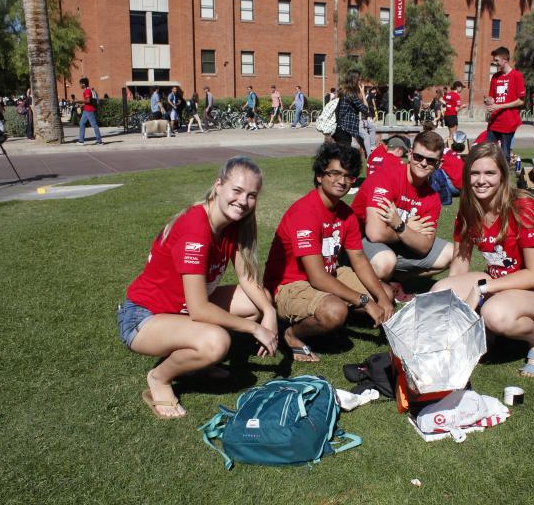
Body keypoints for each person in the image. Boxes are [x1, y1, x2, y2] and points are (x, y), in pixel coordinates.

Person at [118, 157, 278, 419]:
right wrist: (256, 328)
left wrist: (269, 311)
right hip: (143, 318)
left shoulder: (233, 224)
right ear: (218, 185)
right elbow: (200, 309)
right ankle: (159, 378)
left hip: (181, 311)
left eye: (251, 195)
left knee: (257, 301)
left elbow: (247, 279)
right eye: (236, 191)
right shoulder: (196, 229)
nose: (243, 201)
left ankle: (197, 365)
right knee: (216, 342)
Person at [431, 142, 534, 378]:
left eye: (489, 173)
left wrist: (482, 289)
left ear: (503, 175)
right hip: (498, 280)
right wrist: (455, 308)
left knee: (495, 313)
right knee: (440, 291)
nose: (481, 180)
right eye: (475, 173)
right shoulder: (468, 210)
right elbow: (460, 264)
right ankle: (488, 335)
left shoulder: (524, 207)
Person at [263, 143, 394, 362]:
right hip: (290, 284)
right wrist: (364, 301)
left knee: (386, 294)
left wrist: (381, 298)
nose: (342, 181)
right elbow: (316, 276)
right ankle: (292, 334)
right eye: (335, 173)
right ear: (319, 176)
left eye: (349, 176)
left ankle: (332, 318)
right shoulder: (305, 211)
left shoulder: (346, 213)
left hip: (329, 274)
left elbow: (359, 260)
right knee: (335, 311)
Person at [350, 130, 453, 292]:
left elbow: (424, 246)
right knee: (385, 262)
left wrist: (400, 226)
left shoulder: (432, 197)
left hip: (395, 238)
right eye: (419, 157)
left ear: (439, 164)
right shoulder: (386, 178)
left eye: (431, 160)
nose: (424, 163)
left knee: (452, 254)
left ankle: (396, 278)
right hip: (359, 239)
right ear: (410, 154)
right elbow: (374, 233)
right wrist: (406, 228)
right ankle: (358, 278)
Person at [485, 47, 525, 162]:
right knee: (489, 152)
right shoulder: (495, 77)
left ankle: (504, 179)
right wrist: (489, 101)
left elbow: (521, 101)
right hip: (494, 121)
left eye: (497, 60)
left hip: (508, 121)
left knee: (504, 154)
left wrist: (499, 106)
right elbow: (491, 97)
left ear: (505, 60)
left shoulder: (517, 76)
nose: (495, 62)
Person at [332, 70, 369, 156]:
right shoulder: (350, 95)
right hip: (344, 130)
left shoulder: (344, 92)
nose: (360, 82)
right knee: (344, 157)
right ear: (354, 80)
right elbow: (366, 110)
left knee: (342, 156)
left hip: (341, 129)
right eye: (359, 79)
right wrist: (363, 93)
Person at [76, 77, 103, 145]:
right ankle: (81, 141)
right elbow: (88, 102)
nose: (80, 85)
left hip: (89, 110)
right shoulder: (90, 90)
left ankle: (99, 141)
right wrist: (80, 105)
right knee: (81, 123)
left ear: (84, 84)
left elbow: (88, 101)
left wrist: (78, 100)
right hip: (86, 110)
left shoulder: (87, 91)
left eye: (80, 84)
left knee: (94, 125)